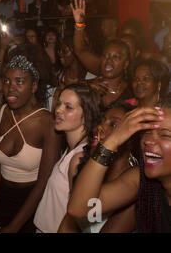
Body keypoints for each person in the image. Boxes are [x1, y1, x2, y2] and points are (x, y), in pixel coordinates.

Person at [0, 48, 61, 233]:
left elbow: (44, 181)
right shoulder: (0, 113)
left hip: (33, 203)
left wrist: (14, 227)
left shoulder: (47, 123)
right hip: (4, 198)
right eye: (7, 81)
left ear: (34, 86)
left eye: (19, 81)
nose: (11, 87)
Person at [67, 95, 170, 233]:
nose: (148, 141)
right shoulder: (140, 179)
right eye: (146, 133)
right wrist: (112, 141)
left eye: (165, 135)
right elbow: (78, 208)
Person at [58, 101, 139, 233]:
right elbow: (69, 220)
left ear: (130, 141)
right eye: (102, 121)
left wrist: (110, 143)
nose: (100, 127)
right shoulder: (91, 171)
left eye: (113, 124)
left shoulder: (133, 188)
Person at [34, 83, 102, 233]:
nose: (58, 110)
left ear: (87, 115)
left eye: (68, 107)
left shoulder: (79, 158)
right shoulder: (71, 148)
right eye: (59, 104)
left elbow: (79, 214)